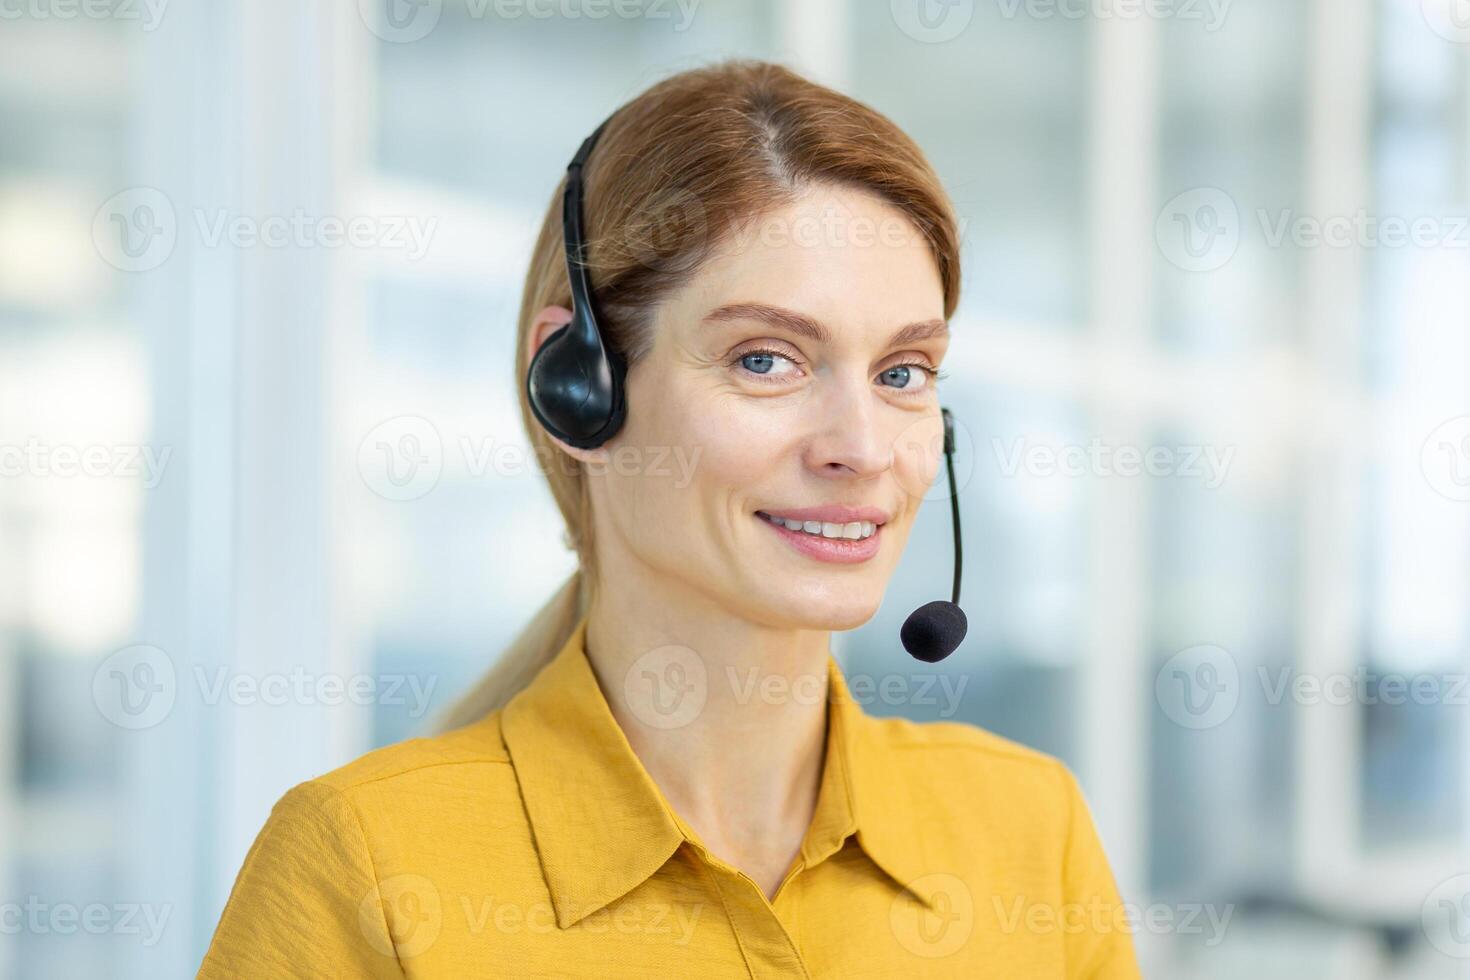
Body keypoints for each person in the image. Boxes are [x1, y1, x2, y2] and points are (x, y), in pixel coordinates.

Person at [199, 58, 1142, 978]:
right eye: (765, 359)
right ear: (577, 386)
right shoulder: (366, 863)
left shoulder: (1028, 829)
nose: (860, 446)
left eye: (902, 373)